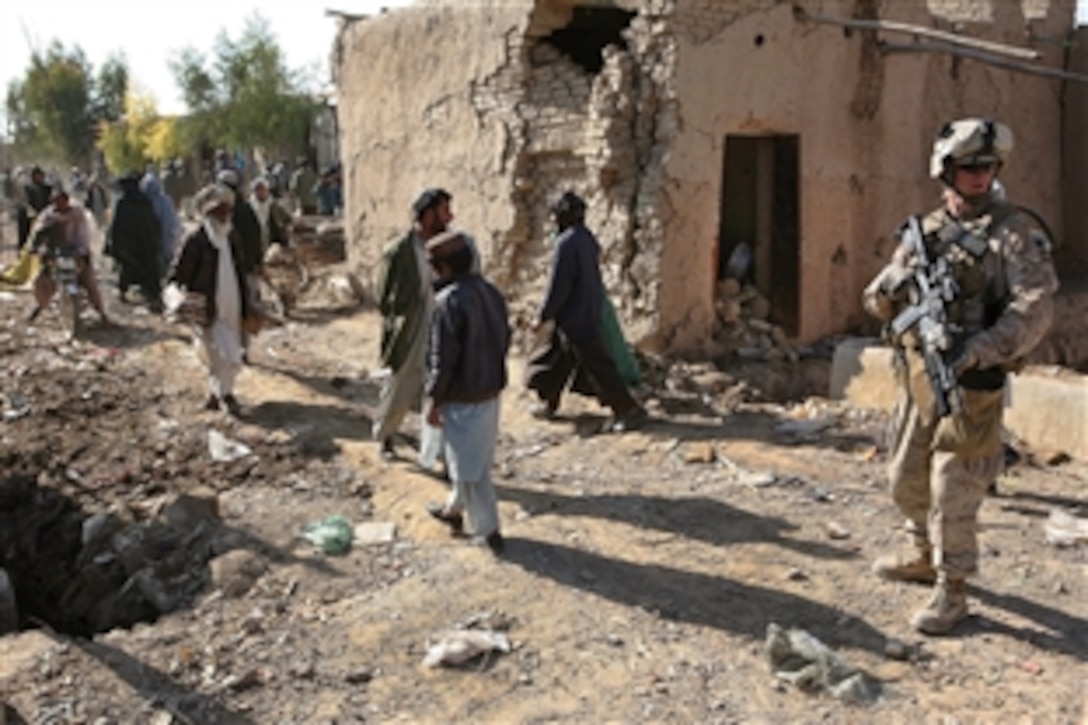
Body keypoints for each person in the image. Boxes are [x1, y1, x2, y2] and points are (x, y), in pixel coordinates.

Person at [863, 118, 1058, 635]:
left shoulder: (1015, 233)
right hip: (920, 377)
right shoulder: (924, 233)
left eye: (987, 167)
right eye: (968, 166)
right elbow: (877, 298)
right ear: (945, 170)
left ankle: (953, 591)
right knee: (904, 475)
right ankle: (919, 551)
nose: (979, 176)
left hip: (972, 384)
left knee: (955, 488)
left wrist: (982, 348)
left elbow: (1035, 308)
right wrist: (892, 290)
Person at [525, 191, 647, 432]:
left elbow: (559, 285)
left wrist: (544, 315)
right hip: (586, 312)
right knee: (557, 360)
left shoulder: (565, 243)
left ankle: (628, 409)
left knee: (599, 367)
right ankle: (547, 402)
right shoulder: (587, 238)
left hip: (575, 318)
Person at [422, 230, 510, 553]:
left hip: (463, 398)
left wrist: (435, 401)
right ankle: (454, 510)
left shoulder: (448, 303)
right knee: (471, 460)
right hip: (490, 391)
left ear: (444, 268)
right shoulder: (491, 293)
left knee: (473, 473)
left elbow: (442, 361)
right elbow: (504, 340)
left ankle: (490, 531)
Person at [372, 188, 453, 460]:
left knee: (440, 389)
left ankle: (437, 453)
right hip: (410, 331)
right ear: (429, 215)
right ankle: (385, 436)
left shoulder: (449, 246)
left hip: (442, 326)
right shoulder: (399, 250)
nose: (450, 216)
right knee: (400, 385)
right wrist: (401, 316)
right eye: (444, 210)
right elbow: (382, 296)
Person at [168, 184, 252, 415]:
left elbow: (241, 269)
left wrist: (249, 301)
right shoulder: (196, 240)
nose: (224, 216)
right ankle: (220, 392)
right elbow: (179, 272)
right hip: (207, 306)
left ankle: (223, 393)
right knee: (214, 351)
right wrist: (176, 294)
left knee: (231, 346)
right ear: (208, 213)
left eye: (226, 211)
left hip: (232, 301)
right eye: (218, 211)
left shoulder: (232, 237)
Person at [27, 187, 110, 325]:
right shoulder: (48, 216)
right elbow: (39, 234)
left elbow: (85, 235)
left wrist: (83, 250)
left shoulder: (78, 214)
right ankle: (40, 306)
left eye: (62, 202)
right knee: (43, 281)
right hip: (55, 253)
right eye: (56, 202)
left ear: (67, 201)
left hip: (77, 253)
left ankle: (102, 314)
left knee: (90, 283)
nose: (60, 206)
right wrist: (36, 248)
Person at [108, 173, 163, 309]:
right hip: (147, 242)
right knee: (149, 267)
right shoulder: (146, 201)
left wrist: (114, 243)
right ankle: (154, 296)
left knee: (127, 268)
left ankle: (123, 292)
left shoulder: (123, 203)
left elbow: (117, 225)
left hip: (129, 244)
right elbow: (154, 223)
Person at [141, 171, 181, 273]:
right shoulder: (165, 201)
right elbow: (171, 225)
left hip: (145, 251)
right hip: (163, 248)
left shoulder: (140, 202)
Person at [248, 176, 292, 254]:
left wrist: (286, 229)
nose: (261, 192)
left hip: (271, 238)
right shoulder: (250, 206)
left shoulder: (273, 205)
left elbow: (288, 219)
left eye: (263, 189)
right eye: (258, 189)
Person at [19, 167, 52, 252]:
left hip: (44, 215)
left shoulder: (47, 188)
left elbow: (50, 201)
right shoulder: (28, 187)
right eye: (37, 175)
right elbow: (26, 201)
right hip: (30, 215)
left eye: (40, 175)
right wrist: (32, 212)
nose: (39, 177)